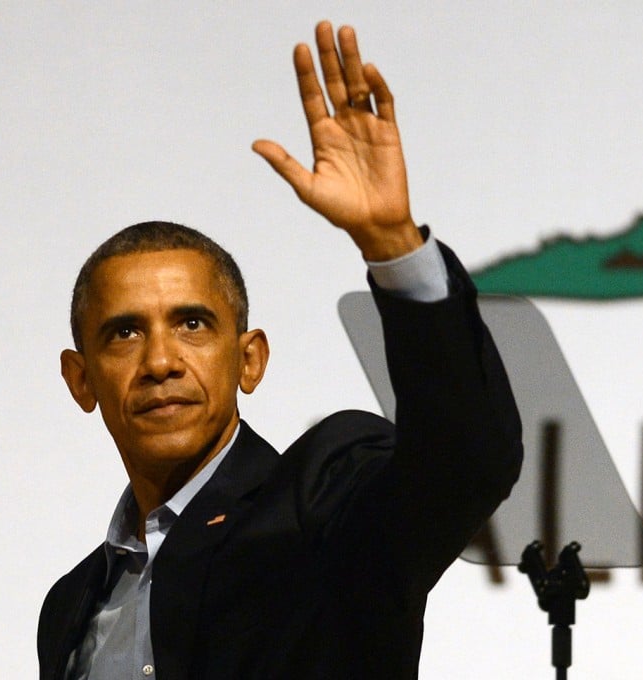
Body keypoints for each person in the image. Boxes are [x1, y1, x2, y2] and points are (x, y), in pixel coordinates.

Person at [38, 21, 522, 680]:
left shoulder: (323, 507)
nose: (160, 361)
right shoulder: (70, 605)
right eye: (124, 333)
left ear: (250, 359)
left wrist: (392, 243)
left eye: (193, 325)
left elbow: (467, 461)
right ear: (80, 379)